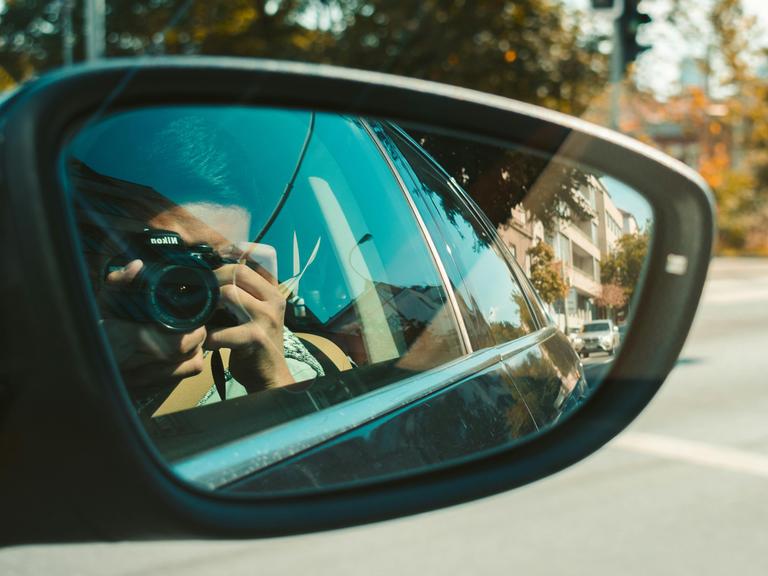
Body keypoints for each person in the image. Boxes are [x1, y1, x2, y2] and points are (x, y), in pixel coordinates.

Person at [69, 111, 324, 415]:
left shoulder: (262, 357)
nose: (185, 281)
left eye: (210, 261)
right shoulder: (37, 339)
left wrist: (270, 379)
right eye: (159, 255)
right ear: (84, 251)